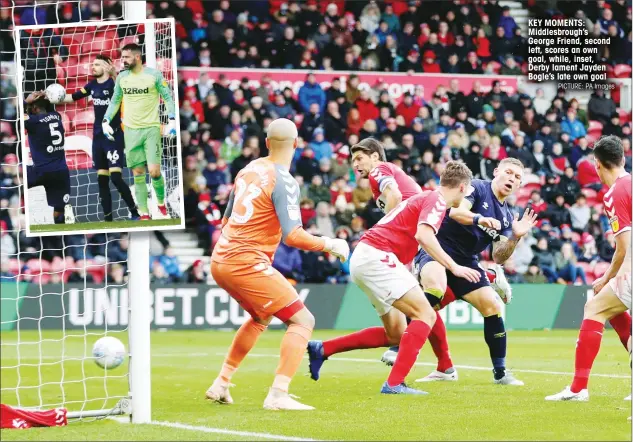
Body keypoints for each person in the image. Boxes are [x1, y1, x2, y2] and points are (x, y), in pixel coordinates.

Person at [206, 118, 349, 410]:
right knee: (303, 320)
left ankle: (221, 382)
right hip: (245, 262)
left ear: (267, 143)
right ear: (296, 144)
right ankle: (278, 394)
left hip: (221, 258)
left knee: (260, 318)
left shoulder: (248, 169)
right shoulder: (284, 179)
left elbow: (225, 219)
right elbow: (293, 235)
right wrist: (330, 244)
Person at [307, 161, 480, 394]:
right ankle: (395, 383)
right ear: (462, 187)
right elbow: (424, 236)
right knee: (425, 314)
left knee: (395, 333)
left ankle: (322, 349)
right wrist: (454, 267)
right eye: (468, 190)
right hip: (377, 256)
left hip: (367, 256)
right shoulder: (437, 200)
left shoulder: (427, 198)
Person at [412, 158, 538, 385]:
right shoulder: (477, 187)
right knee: (435, 289)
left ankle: (500, 373)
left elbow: (499, 256)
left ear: (519, 185)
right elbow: (456, 213)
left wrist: (516, 237)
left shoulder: (507, 216)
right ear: (497, 172)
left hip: (468, 260)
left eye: (518, 177)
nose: (512, 178)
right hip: (438, 248)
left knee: (493, 306)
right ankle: (398, 340)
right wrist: (481, 219)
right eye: (509, 172)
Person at [546, 135, 632, 402]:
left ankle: (578, 388)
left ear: (597, 164)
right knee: (609, 309)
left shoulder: (616, 192)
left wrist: (607, 277)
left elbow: (624, 248)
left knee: (594, 307)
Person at [103, 43, 177, 220]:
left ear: (137, 57)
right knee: (137, 172)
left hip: (151, 128)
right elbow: (115, 101)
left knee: (154, 171)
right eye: (122, 57)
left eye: (126, 57)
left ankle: (160, 201)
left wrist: (172, 119)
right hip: (130, 130)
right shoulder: (122, 77)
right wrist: (105, 120)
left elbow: (167, 97)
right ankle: (144, 212)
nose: (123, 61)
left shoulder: (154, 75)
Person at [63, 54, 139, 221]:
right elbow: (73, 97)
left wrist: (115, 74)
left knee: (116, 178)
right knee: (102, 180)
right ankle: (108, 219)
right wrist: (52, 96)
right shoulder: (91, 85)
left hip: (112, 136)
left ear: (106, 66)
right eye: (92, 64)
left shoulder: (114, 84)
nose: (93, 67)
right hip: (97, 138)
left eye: (97, 64)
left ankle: (134, 212)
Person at [23, 91, 71, 224]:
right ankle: (61, 233)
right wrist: (46, 98)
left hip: (40, 171)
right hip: (61, 172)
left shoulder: (32, 122)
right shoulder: (56, 116)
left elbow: (17, 117)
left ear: (34, 108)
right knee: (60, 210)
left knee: (16, 180)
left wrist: (26, 101)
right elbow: (48, 109)